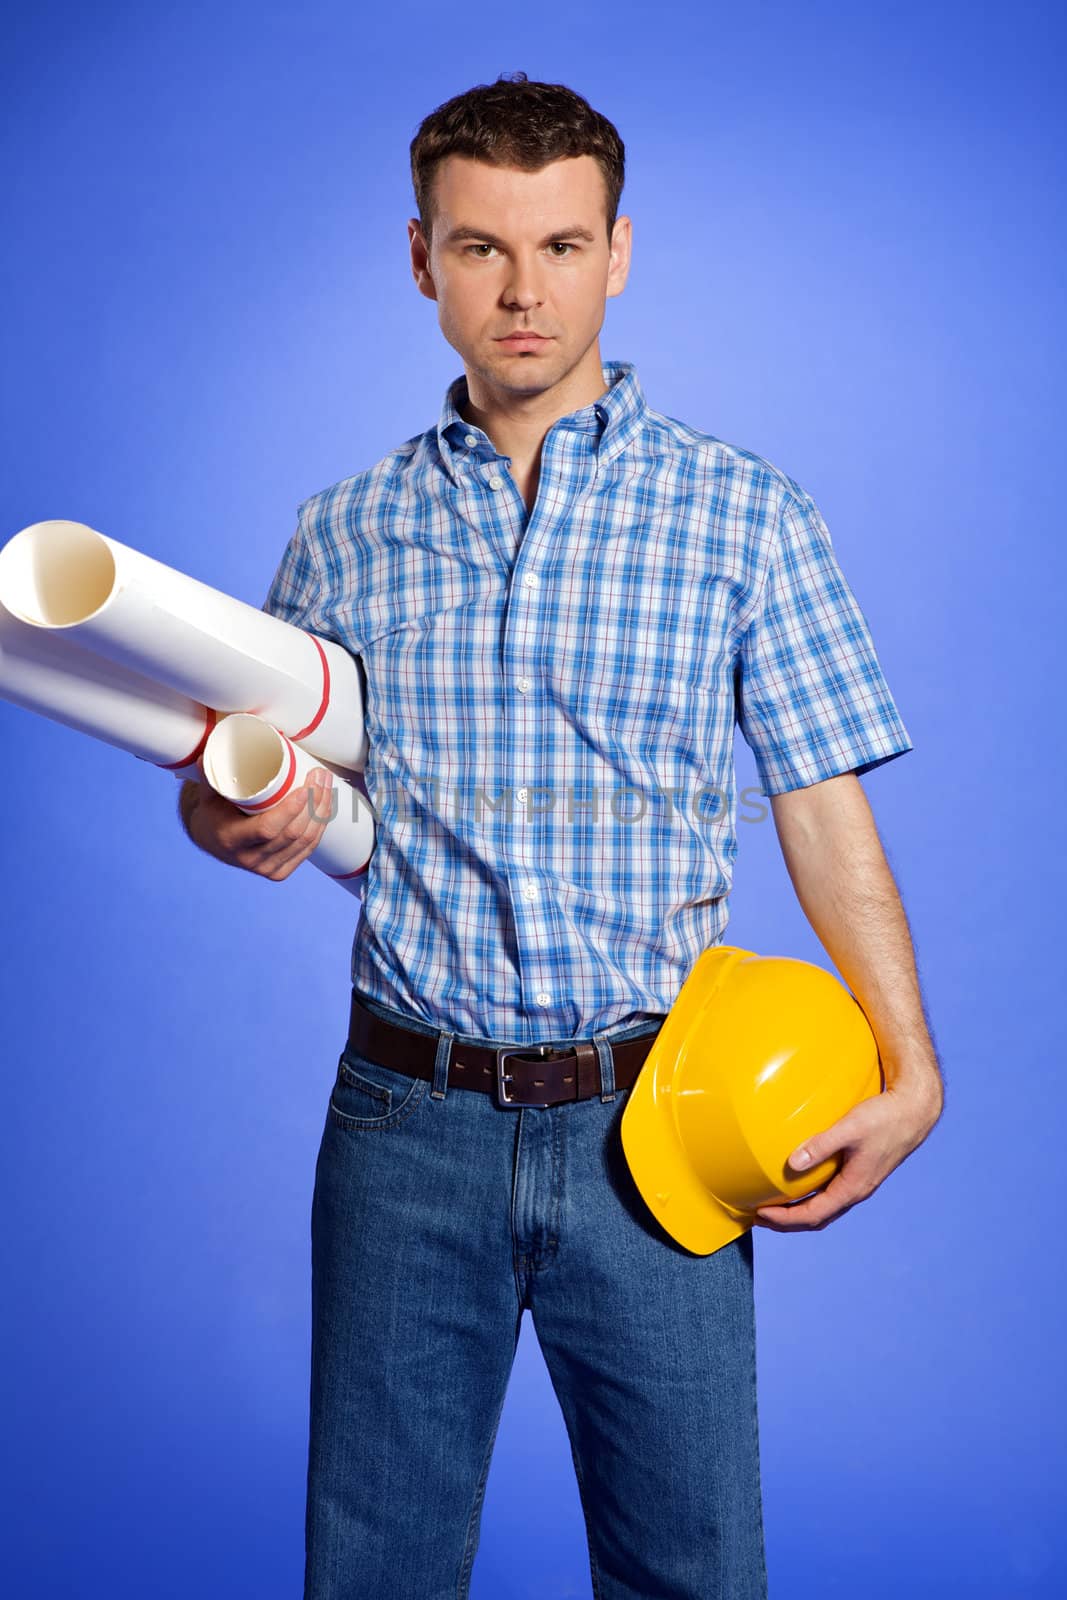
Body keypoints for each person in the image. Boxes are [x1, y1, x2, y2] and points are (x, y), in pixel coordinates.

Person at [178, 73, 944, 1600]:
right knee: (376, 1576)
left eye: (562, 247)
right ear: (421, 259)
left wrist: (911, 1066)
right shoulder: (341, 532)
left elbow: (819, 802)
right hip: (407, 1130)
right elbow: (241, 780)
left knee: (693, 1573)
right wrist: (230, 814)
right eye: (480, 249)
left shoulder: (745, 517)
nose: (523, 291)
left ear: (620, 250)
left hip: (655, 1121)